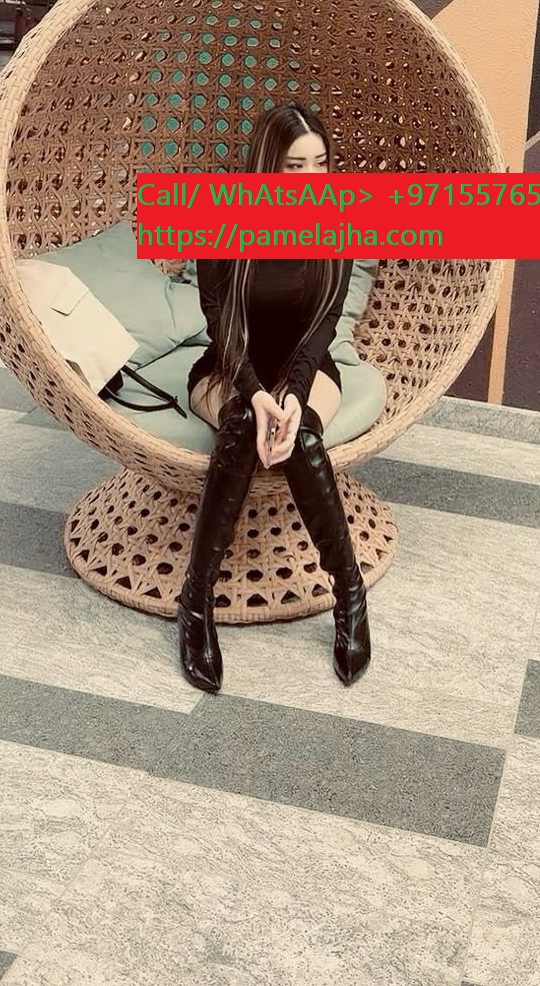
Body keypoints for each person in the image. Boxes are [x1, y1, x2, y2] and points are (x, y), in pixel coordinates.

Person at [176, 100, 369, 695]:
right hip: (230, 367)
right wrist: (257, 394)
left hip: (306, 368)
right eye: (295, 166)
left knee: (301, 436)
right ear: (267, 166)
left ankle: (350, 595)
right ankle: (196, 601)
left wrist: (292, 396)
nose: (312, 179)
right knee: (241, 428)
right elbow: (220, 323)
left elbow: (323, 326)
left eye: (321, 164)